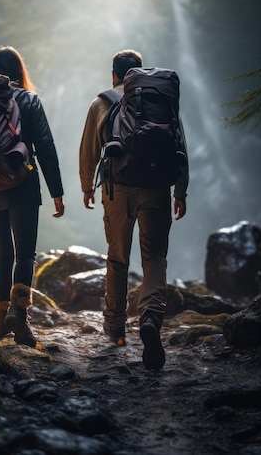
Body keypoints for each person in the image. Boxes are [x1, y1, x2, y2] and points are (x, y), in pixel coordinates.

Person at [79, 49, 189, 370]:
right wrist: (180, 191)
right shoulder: (162, 101)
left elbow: (89, 150)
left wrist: (87, 186)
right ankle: (150, 318)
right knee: (154, 256)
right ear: (140, 73)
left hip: (118, 191)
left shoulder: (101, 103)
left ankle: (115, 328)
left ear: (115, 74)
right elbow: (179, 145)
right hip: (157, 188)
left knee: (118, 257)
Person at [0, 46, 65, 348]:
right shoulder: (29, 100)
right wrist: (57, 191)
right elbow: (45, 146)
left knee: (4, 253)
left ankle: (1, 322)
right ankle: (20, 314)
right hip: (23, 181)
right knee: (26, 253)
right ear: (19, 71)